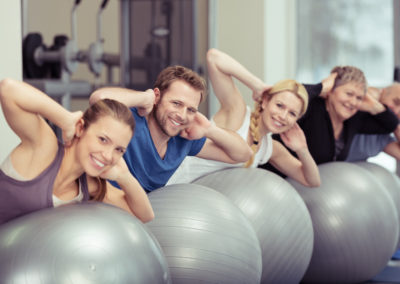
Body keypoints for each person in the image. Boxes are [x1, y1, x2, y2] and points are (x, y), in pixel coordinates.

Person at [0, 78, 154, 225]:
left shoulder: (90, 186)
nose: (108, 155)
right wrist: (64, 118)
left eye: (119, 149)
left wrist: (124, 176)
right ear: (81, 128)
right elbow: (8, 89)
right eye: (103, 139)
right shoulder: (45, 148)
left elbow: (143, 216)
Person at [167, 48, 320, 187]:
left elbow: (312, 181)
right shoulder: (238, 112)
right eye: (279, 105)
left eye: (292, 113)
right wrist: (257, 85)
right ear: (265, 101)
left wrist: (302, 149)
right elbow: (214, 58)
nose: (283, 116)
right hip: (169, 182)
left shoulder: (269, 148)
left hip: (196, 201)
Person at [89, 65, 253, 192]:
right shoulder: (129, 119)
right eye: (176, 103)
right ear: (157, 96)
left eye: (191, 110)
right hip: (98, 204)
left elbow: (243, 154)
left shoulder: (184, 140)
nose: (182, 115)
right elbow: (98, 100)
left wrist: (209, 130)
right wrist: (145, 98)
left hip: (135, 216)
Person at [260, 66, 399, 175]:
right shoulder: (313, 107)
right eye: (349, 94)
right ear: (331, 91)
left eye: (359, 98)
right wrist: (321, 87)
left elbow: (391, 125)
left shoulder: (354, 119)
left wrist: (375, 106)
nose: (353, 102)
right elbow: (291, 96)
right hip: (272, 178)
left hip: (306, 189)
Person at [345, 83, 400, 162]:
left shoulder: (383, 137)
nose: (396, 111)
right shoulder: (360, 101)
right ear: (382, 92)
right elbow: (369, 94)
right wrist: (381, 110)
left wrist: (396, 126)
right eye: (396, 102)